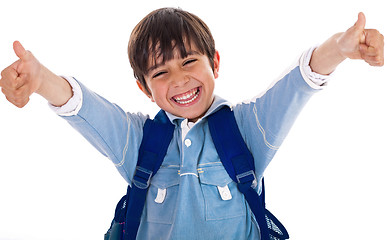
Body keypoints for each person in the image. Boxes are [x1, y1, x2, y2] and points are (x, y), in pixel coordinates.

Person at [0, 7, 384, 240]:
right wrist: (41, 80)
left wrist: (339, 49)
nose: (180, 80)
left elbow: (298, 84)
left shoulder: (248, 129)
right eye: (160, 72)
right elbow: (84, 108)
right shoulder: (139, 141)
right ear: (144, 88)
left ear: (215, 62)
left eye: (189, 62)